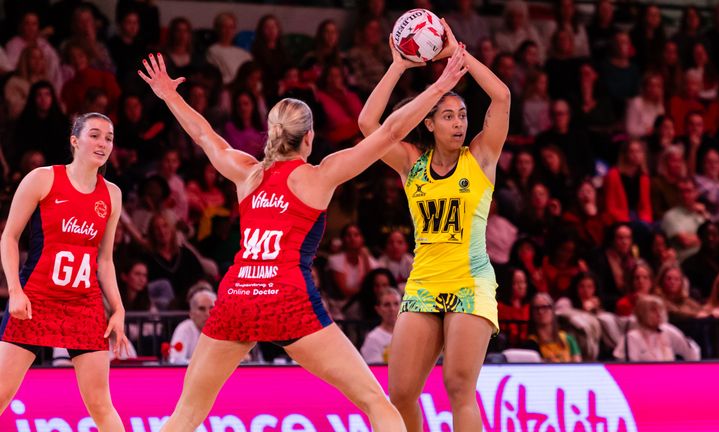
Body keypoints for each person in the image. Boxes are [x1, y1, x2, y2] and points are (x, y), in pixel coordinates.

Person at [139, 45, 467, 430]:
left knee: (187, 412)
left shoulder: (247, 172)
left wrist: (169, 95)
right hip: (287, 300)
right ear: (309, 136)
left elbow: (203, 134)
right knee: (375, 402)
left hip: (238, 297)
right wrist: (439, 85)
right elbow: (391, 131)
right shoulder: (319, 176)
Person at [358, 20, 510, 430]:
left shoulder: (481, 156)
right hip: (423, 282)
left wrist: (457, 55)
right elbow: (368, 125)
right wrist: (398, 66)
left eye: (462, 115)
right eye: (448, 116)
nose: (459, 123)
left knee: (458, 387)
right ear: (429, 123)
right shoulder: (411, 163)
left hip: (470, 282)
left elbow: (501, 95)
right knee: (401, 392)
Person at [0, 113, 128, 428]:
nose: (102, 143)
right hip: (36, 299)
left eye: (108, 138)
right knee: (1, 393)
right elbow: (9, 237)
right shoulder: (42, 178)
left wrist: (118, 308)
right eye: (94, 135)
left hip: (84, 304)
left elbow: (105, 260)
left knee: (101, 404)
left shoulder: (112, 194)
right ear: (74, 140)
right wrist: (15, 290)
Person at [168, 288, 217, 365]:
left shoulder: (224, 329)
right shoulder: (184, 329)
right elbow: (175, 360)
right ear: (191, 314)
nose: (207, 314)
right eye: (202, 309)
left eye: (212, 308)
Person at [360, 287, 402, 364]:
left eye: (396, 304)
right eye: (387, 305)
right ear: (378, 309)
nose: (392, 309)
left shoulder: (411, 334)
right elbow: (376, 369)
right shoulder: (373, 338)